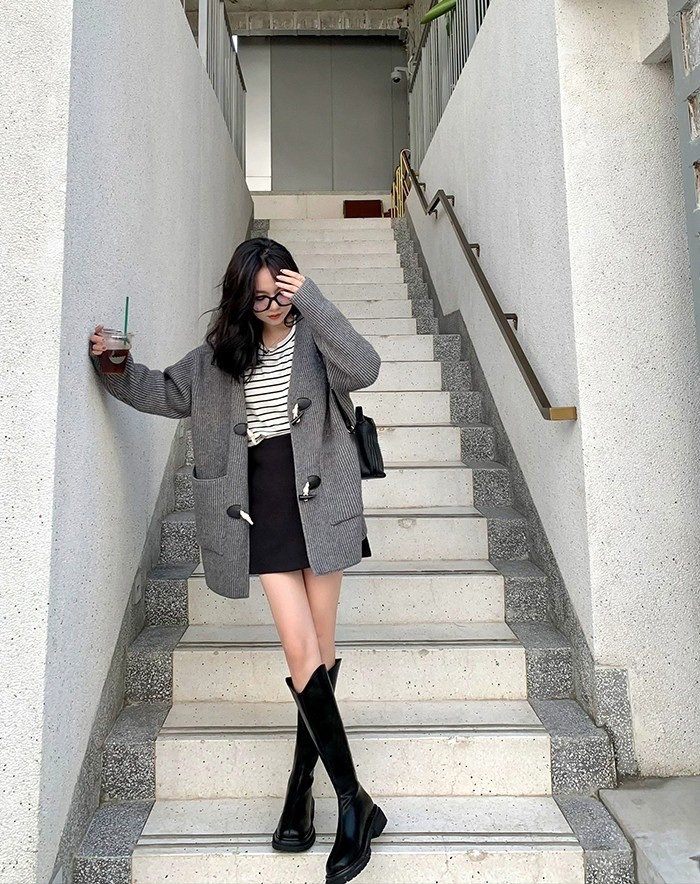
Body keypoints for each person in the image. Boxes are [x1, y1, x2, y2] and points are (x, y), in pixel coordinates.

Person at [88, 237, 387, 884]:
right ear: (241, 300)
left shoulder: (317, 341)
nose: (272, 306)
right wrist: (116, 365)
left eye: (281, 292)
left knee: (321, 650)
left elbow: (365, 367)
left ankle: (299, 790)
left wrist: (313, 300)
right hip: (263, 509)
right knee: (299, 647)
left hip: (323, 500)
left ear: (295, 284)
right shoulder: (219, 357)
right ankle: (352, 801)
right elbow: (164, 392)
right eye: (259, 298)